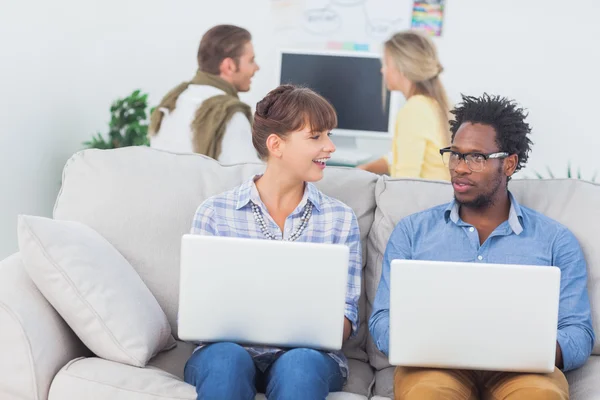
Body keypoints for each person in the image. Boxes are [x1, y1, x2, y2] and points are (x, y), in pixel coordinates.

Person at [369, 93, 594, 400]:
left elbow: (577, 332)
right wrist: (419, 342)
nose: (460, 167)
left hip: (523, 371)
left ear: (509, 164)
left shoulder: (555, 241)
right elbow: (382, 319)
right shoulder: (411, 232)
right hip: (434, 367)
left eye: (476, 157)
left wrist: (529, 350)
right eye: (456, 154)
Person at [184, 85, 362, 399]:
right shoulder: (215, 213)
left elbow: (344, 323)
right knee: (227, 360)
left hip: (308, 357)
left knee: (301, 365)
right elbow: (198, 312)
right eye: (316, 136)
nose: (331, 147)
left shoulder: (339, 218)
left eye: (328, 135)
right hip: (226, 353)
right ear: (276, 145)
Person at [149, 24, 261, 164]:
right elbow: (248, 177)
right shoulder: (229, 115)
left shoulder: (173, 101)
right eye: (251, 60)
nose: (257, 68)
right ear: (229, 66)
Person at [358, 30, 450, 180]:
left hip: (425, 202)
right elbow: (404, 156)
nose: (382, 70)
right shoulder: (434, 104)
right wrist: (367, 168)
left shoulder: (415, 110)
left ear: (402, 67)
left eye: (387, 63)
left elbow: (404, 181)